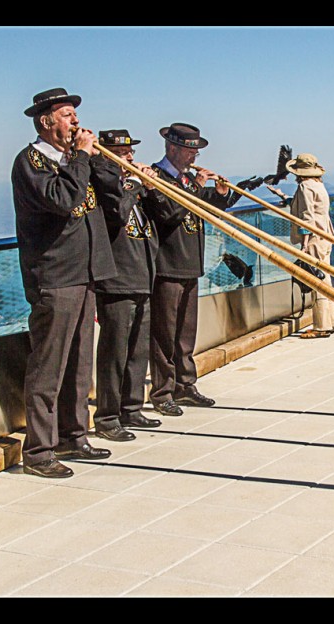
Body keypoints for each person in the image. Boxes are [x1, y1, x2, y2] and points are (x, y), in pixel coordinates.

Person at [12, 88, 115, 478]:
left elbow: (106, 196)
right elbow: (63, 199)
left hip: (84, 274)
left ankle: (74, 435)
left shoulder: (75, 160)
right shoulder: (31, 162)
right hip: (54, 277)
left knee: (79, 363)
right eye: (68, 115)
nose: (75, 122)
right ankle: (38, 451)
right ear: (46, 122)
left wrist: (98, 158)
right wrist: (82, 158)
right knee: (48, 367)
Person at [143, 123, 233, 417]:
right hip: (167, 265)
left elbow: (203, 206)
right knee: (164, 335)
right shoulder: (157, 177)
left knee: (185, 333)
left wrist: (218, 194)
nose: (195, 157)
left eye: (196, 151)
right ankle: (162, 391)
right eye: (190, 150)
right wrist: (195, 186)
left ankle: (185, 385)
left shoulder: (184, 179)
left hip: (190, 264)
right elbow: (170, 212)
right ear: (172, 148)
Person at [91, 129, 163, 442]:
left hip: (143, 277)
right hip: (117, 280)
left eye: (130, 152)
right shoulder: (105, 184)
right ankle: (107, 417)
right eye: (122, 154)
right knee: (114, 353)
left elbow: (164, 217)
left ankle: (131, 406)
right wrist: (133, 185)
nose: (130, 158)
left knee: (138, 350)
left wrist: (151, 188)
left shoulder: (134, 189)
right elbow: (116, 214)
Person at [287, 153, 334, 338]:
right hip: (325, 235)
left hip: (314, 237)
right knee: (326, 278)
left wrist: (305, 244)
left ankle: (322, 326)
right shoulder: (318, 185)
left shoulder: (304, 186)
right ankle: (330, 320)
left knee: (318, 281)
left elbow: (307, 216)